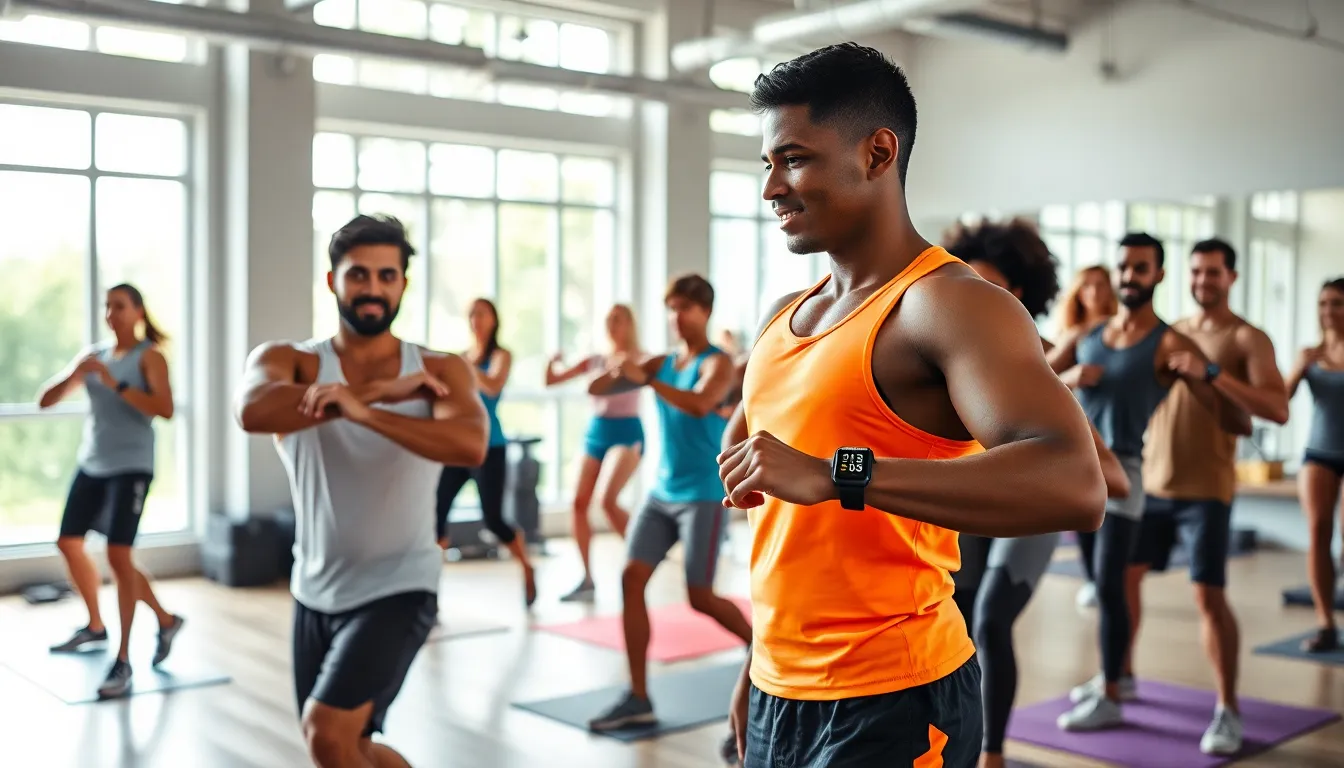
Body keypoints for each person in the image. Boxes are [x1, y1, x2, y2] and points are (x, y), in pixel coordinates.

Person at [718, 43, 1108, 768]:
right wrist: (755, 672)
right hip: (780, 692)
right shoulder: (781, 318)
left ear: (877, 153)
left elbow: (1076, 484)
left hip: (896, 698)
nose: (770, 187)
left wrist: (842, 473)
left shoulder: (949, 306)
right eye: (766, 163)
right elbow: (794, 547)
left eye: (793, 158)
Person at [234, 214, 490, 768]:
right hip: (315, 589)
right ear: (333, 281)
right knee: (349, 747)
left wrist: (360, 411)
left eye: (386, 275)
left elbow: (469, 444)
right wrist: (374, 391)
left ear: (402, 283)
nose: (372, 288)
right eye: (358, 275)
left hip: (401, 583)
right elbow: (253, 410)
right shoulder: (291, 360)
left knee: (327, 735)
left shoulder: (441, 369)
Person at [945, 218, 1132, 768]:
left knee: (990, 621)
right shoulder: (947, 353)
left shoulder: (1038, 358)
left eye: (984, 284)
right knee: (956, 625)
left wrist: (1050, 473)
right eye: (963, 282)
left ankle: (993, 756)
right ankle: (957, 743)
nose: (969, 296)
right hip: (971, 515)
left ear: (1016, 290)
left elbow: (1111, 477)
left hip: (1025, 520)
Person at [1049, 232, 1251, 733]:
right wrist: (1073, 377)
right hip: (1077, 475)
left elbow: (1232, 419)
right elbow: (1036, 380)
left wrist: (1210, 381)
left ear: (1159, 275)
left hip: (1124, 476)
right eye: (1124, 267)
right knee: (1100, 584)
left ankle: (1112, 693)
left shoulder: (1169, 341)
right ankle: (1115, 676)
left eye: (1141, 268)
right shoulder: (1091, 332)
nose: (1129, 277)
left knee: (1112, 587)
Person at [1119, 238, 1289, 754]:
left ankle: (1227, 708)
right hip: (1153, 482)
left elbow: (1277, 408)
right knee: (1121, 584)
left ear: (1231, 278)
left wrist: (1212, 373)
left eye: (1213, 273)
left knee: (1208, 598)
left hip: (1206, 489)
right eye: (1196, 272)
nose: (1203, 281)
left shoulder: (1246, 338)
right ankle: (1119, 676)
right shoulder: (1171, 334)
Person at [585, 274, 752, 737]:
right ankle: (638, 697)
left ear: (705, 311)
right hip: (662, 493)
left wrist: (649, 380)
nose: (677, 317)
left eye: (686, 309)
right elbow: (597, 389)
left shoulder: (718, 363)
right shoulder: (661, 361)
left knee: (699, 596)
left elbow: (701, 404)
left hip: (703, 491)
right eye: (672, 308)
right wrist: (622, 367)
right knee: (630, 577)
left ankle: (760, 647)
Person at [37, 282, 185, 699]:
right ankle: (106, 625)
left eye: (119, 306)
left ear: (138, 312)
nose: (111, 313)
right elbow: (45, 401)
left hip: (131, 467)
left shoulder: (149, 357)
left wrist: (113, 382)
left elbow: (166, 410)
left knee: (119, 556)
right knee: (68, 542)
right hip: (93, 462)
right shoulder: (95, 357)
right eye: (107, 306)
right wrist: (75, 372)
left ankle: (123, 659)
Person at [437, 297, 537, 608]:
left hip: (489, 446)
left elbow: (492, 386)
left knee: (493, 520)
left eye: (481, 314)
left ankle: (527, 568)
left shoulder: (501, 356)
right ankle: (430, 593)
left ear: (493, 319)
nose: (475, 320)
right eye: (471, 315)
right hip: (457, 445)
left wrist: (462, 367)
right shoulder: (461, 357)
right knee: (435, 514)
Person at [545, 304, 647, 602]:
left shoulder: (640, 358)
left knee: (607, 502)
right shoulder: (595, 359)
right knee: (578, 504)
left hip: (626, 433)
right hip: (596, 432)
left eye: (619, 319)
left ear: (630, 324)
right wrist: (551, 362)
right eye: (609, 320)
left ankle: (645, 557)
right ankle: (587, 580)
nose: (613, 325)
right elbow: (552, 381)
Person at [1050, 264, 1119, 608]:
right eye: (1087, 286)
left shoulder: (1125, 331)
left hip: (1122, 436)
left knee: (1116, 511)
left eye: (1101, 285)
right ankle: (1093, 577)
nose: (1094, 292)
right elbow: (1038, 378)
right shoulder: (1076, 334)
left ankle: (1108, 581)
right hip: (1086, 436)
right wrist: (1073, 376)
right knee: (1088, 509)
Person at [1286, 277, 1344, 653]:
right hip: (1319, 452)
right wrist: (1299, 367)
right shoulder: (1310, 353)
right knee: (1318, 533)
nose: (1328, 311)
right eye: (1323, 303)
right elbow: (1281, 400)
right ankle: (1325, 623)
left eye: (1336, 303)